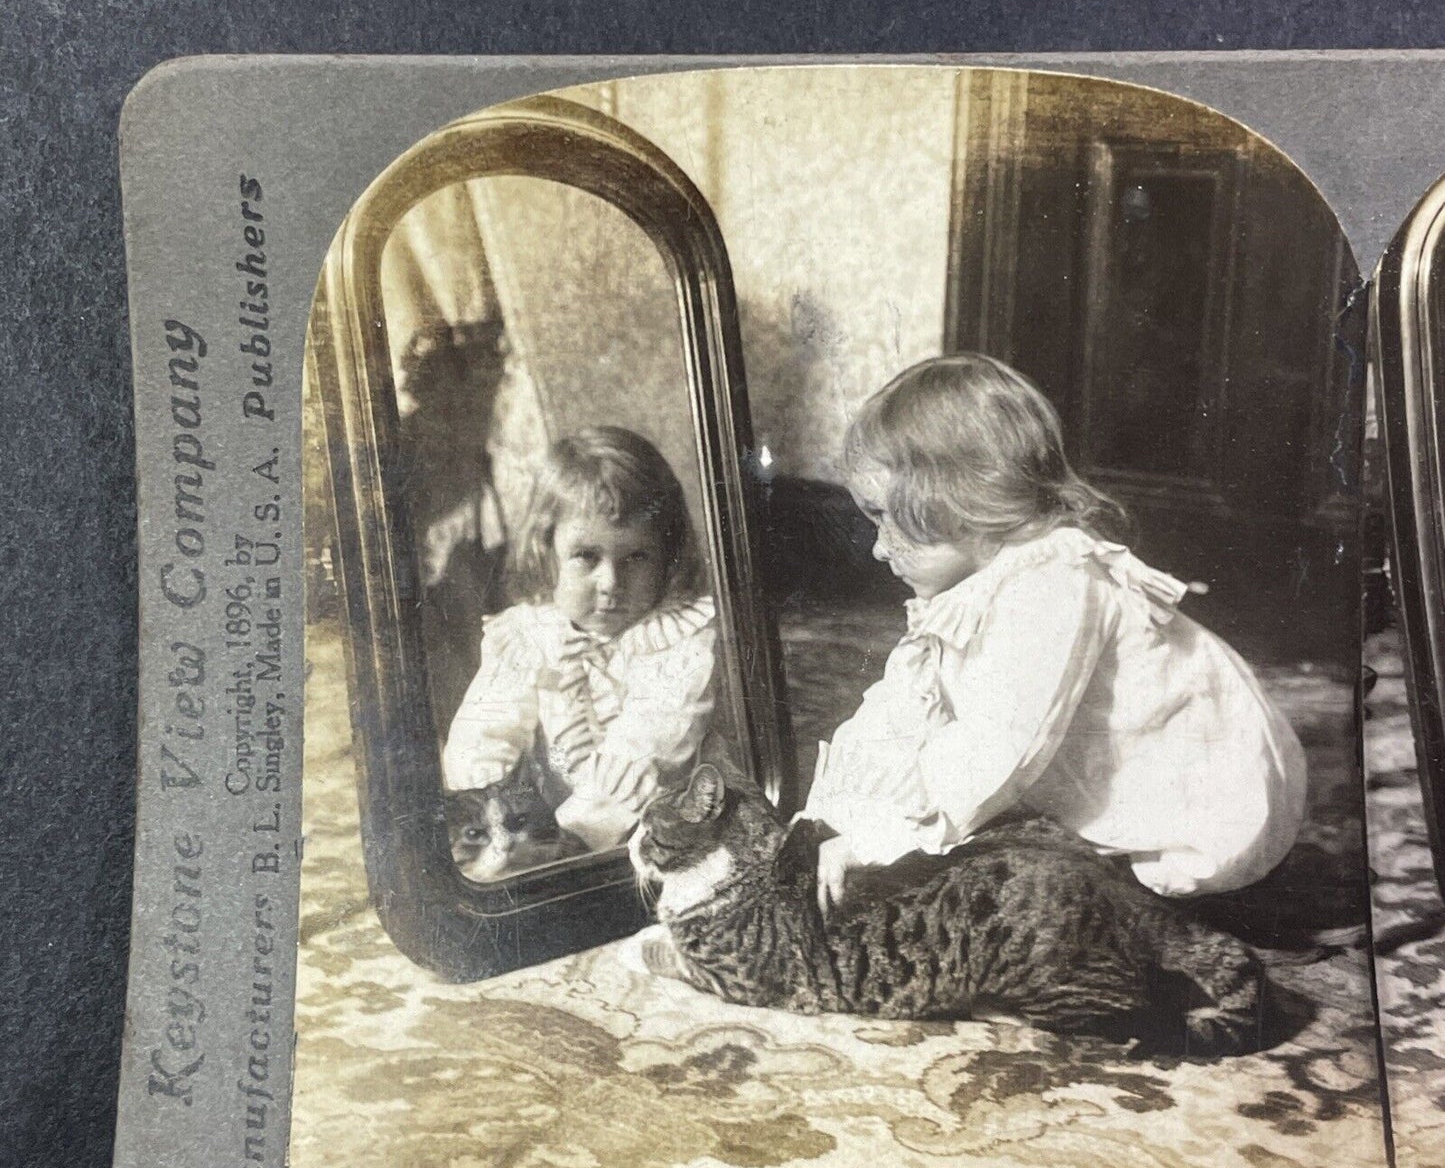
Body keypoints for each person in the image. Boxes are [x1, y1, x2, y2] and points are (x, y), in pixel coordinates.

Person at [805, 353, 1308, 913]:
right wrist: (830, 815)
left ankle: (1172, 901)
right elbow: (899, 708)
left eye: (884, 516)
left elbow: (1001, 745)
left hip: (1204, 812)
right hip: (1074, 774)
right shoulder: (967, 586)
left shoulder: (1053, 582)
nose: (877, 548)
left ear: (962, 501)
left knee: (1019, 896)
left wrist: (879, 843)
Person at [443, 426, 716, 853]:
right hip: (543, 833)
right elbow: (484, 731)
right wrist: (483, 811)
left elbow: (647, 749)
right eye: (586, 557)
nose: (611, 582)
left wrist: (570, 840)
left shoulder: (679, 640)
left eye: (636, 558)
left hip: (657, 828)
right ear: (546, 549)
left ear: (667, 556)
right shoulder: (530, 635)